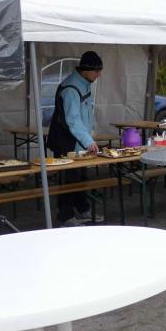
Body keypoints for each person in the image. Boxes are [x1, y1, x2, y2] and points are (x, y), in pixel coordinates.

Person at [47, 50, 104, 227]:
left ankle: (82, 209)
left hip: (77, 142)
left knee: (80, 177)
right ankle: (65, 217)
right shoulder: (71, 89)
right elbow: (73, 120)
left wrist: (88, 137)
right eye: (97, 71)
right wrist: (89, 141)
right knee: (68, 181)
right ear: (86, 69)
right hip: (66, 142)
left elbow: (84, 114)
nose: (99, 75)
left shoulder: (83, 83)